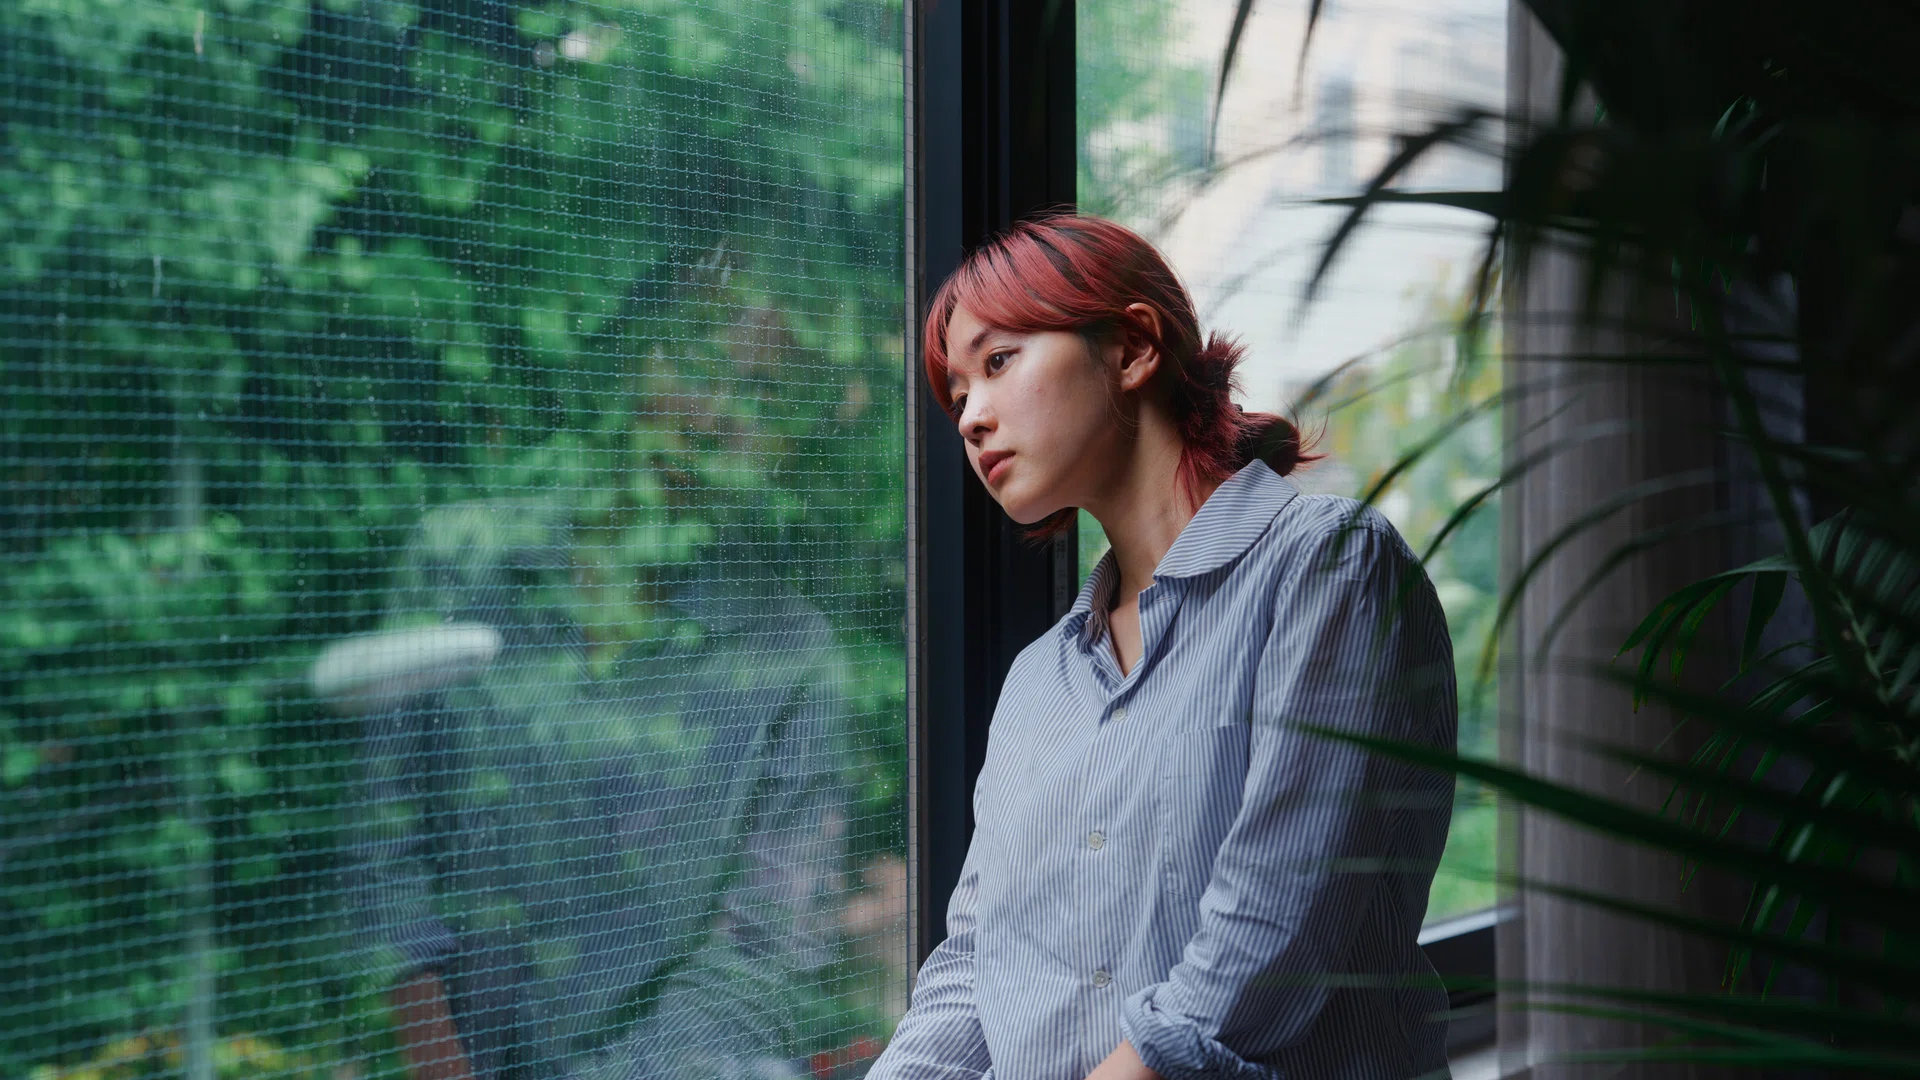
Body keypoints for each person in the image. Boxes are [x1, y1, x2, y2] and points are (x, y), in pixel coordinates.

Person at [868, 215, 1458, 1080]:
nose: (970, 418)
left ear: (1134, 347)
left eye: (998, 363)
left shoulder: (1328, 567)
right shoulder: (1039, 682)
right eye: (957, 395)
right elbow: (973, 975)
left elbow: (1276, 917)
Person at [320, 503, 850, 1080]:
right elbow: (383, 853)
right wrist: (443, 1066)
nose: (728, 416)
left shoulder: (788, 645)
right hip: (476, 1046)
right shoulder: (461, 560)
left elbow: (768, 937)